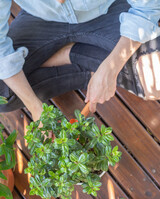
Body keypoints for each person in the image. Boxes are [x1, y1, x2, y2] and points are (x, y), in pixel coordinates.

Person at [0, 0, 160, 121]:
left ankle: (73, 56)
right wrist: (35, 107)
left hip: (108, 11)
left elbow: (146, 8)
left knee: (156, 85)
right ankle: (81, 59)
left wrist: (111, 67)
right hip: (43, 19)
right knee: (1, 97)